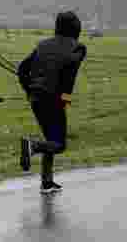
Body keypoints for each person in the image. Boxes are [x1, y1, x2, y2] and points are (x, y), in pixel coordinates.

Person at [17, 10, 87, 194]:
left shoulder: (42, 44)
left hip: (36, 99)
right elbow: (68, 78)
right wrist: (65, 100)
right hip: (53, 99)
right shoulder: (78, 48)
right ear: (76, 28)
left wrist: (29, 89)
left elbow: (22, 69)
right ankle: (32, 146)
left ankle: (47, 182)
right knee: (59, 144)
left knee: (51, 139)